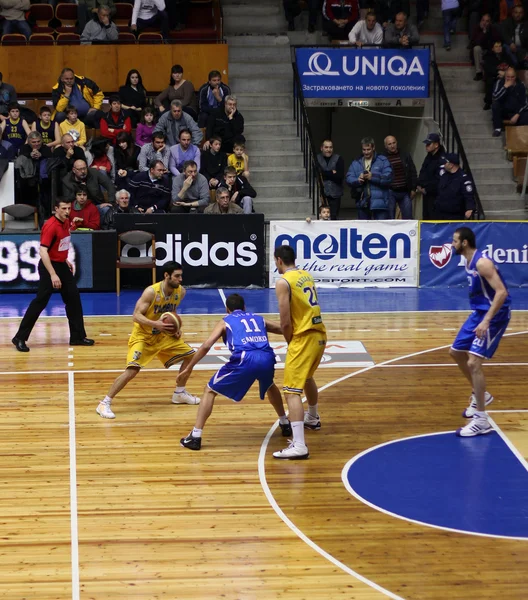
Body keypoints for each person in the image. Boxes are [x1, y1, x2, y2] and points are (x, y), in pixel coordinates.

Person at [179, 293, 291, 450]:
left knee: (209, 390)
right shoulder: (258, 318)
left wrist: (189, 367)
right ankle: (285, 423)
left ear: (227, 309)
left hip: (245, 358)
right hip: (267, 356)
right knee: (269, 385)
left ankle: (195, 436)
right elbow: (283, 328)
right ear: (245, 307)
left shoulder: (225, 321)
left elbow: (206, 345)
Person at [96, 261, 199, 419]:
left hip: (163, 336)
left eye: (181, 276)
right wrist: (155, 323)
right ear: (166, 276)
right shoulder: (151, 292)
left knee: (191, 356)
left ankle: (179, 393)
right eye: (177, 276)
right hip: (143, 337)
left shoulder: (181, 292)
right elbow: (136, 316)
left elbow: (171, 312)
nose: (180, 279)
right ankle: (104, 402)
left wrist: (175, 329)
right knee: (132, 370)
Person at [449, 226, 512, 437]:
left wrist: (486, 321)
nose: (452, 244)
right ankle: (481, 395)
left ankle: (482, 420)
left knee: (473, 362)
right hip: (479, 312)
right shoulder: (467, 261)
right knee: (456, 352)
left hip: (494, 316)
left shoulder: (482, 262)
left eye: (455, 241)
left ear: (464, 242)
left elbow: (502, 292)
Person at [11, 197, 94, 353]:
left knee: (74, 299)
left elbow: (61, 244)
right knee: (40, 301)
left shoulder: (66, 222)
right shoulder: (50, 226)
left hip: (61, 264)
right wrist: (53, 274)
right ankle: (20, 338)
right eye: (63, 209)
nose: (67, 212)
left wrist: (65, 259)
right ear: (56, 209)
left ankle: (77, 337)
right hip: (49, 267)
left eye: (69, 208)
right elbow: (43, 251)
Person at [272, 245, 327, 460]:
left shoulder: (283, 281)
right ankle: (312, 417)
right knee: (307, 377)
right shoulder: (306, 275)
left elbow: (285, 320)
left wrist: (289, 341)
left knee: (291, 391)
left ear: (278, 260)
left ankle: (299, 444)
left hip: (303, 338)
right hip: (320, 334)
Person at [346, 136, 393, 220]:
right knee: (363, 231)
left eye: (368, 149)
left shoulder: (382, 160)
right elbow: (349, 178)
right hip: (363, 202)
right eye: (364, 150)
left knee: (381, 230)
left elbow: (389, 177)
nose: (366, 152)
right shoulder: (356, 162)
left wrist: (373, 177)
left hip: (380, 203)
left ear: (373, 147)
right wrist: (358, 180)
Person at [382, 135, 417, 219]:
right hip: (390, 191)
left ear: (397, 143)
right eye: (389, 144)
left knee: (408, 218)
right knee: (390, 218)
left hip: (405, 191)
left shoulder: (405, 155)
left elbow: (412, 171)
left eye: (394, 143)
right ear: (386, 146)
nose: (392, 145)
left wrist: (413, 188)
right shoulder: (382, 158)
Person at [433, 153, 475, 220]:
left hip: (455, 215)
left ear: (451, 165)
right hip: (440, 214)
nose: (444, 165)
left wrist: (470, 208)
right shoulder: (444, 176)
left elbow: (468, 195)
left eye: (445, 163)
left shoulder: (463, 178)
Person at [491, 66, 528, 136]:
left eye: (512, 77)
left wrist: (517, 114)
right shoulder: (499, 82)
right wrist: (505, 87)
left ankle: (522, 133)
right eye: (508, 77)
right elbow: (495, 97)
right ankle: (497, 129)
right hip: (503, 110)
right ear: (505, 76)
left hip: (515, 111)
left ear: (515, 77)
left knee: (526, 114)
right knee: (495, 104)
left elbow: (525, 103)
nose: (510, 79)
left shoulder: (520, 85)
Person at [417, 132, 446, 219]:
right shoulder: (428, 157)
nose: (426, 146)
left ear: (436, 145)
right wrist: (419, 184)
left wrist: (426, 188)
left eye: (429, 144)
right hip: (426, 195)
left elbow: (440, 179)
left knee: (434, 219)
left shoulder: (442, 158)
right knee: (426, 218)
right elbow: (422, 172)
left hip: (436, 196)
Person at [317, 139, 344, 220]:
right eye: (326, 147)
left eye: (330, 147)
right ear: (321, 148)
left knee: (334, 218)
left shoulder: (339, 159)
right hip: (321, 194)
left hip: (335, 195)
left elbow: (340, 176)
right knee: (320, 218)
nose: (328, 150)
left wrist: (324, 173)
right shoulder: (316, 159)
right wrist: (332, 173)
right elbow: (317, 175)